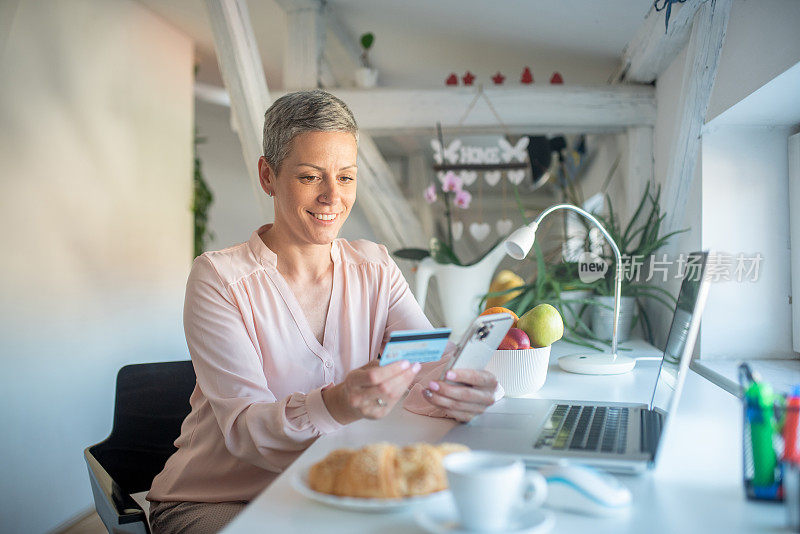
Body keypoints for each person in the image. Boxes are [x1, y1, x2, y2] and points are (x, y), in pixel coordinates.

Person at [146, 90, 499, 533]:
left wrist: (466, 386)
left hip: (333, 485)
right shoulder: (218, 279)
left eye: (346, 177)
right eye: (311, 176)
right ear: (268, 175)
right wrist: (336, 403)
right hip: (223, 499)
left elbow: (427, 360)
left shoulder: (376, 267)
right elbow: (245, 430)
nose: (333, 196)